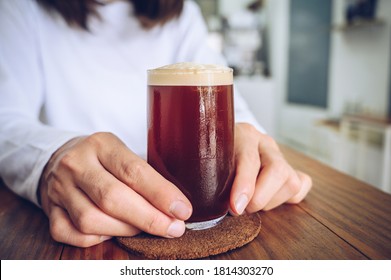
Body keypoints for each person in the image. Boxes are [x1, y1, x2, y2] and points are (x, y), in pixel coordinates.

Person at [0, 0, 312, 248]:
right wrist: (51, 158)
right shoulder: (20, 8)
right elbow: (6, 118)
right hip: (91, 228)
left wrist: (251, 143)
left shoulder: (183, 15)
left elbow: (230, 108)